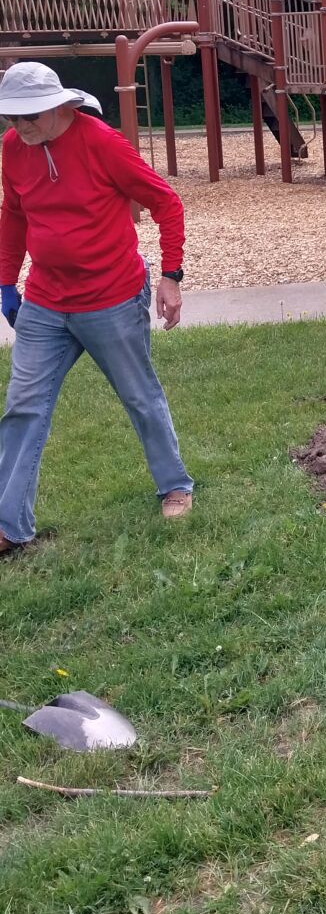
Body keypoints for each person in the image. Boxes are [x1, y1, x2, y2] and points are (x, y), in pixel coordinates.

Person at [0, 62, 193, 554]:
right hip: (45, 302)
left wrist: (171, 277)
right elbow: (15, 216)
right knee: (23, 406)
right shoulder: (12, 150)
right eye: (11, 117)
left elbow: (166, 202)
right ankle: (8, 527)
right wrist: (5, 283)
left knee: (139, 395)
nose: (19, 126)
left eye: (29, 116)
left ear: (59, 106)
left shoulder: (103, 143)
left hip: (111, 298)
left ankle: (174, 485)